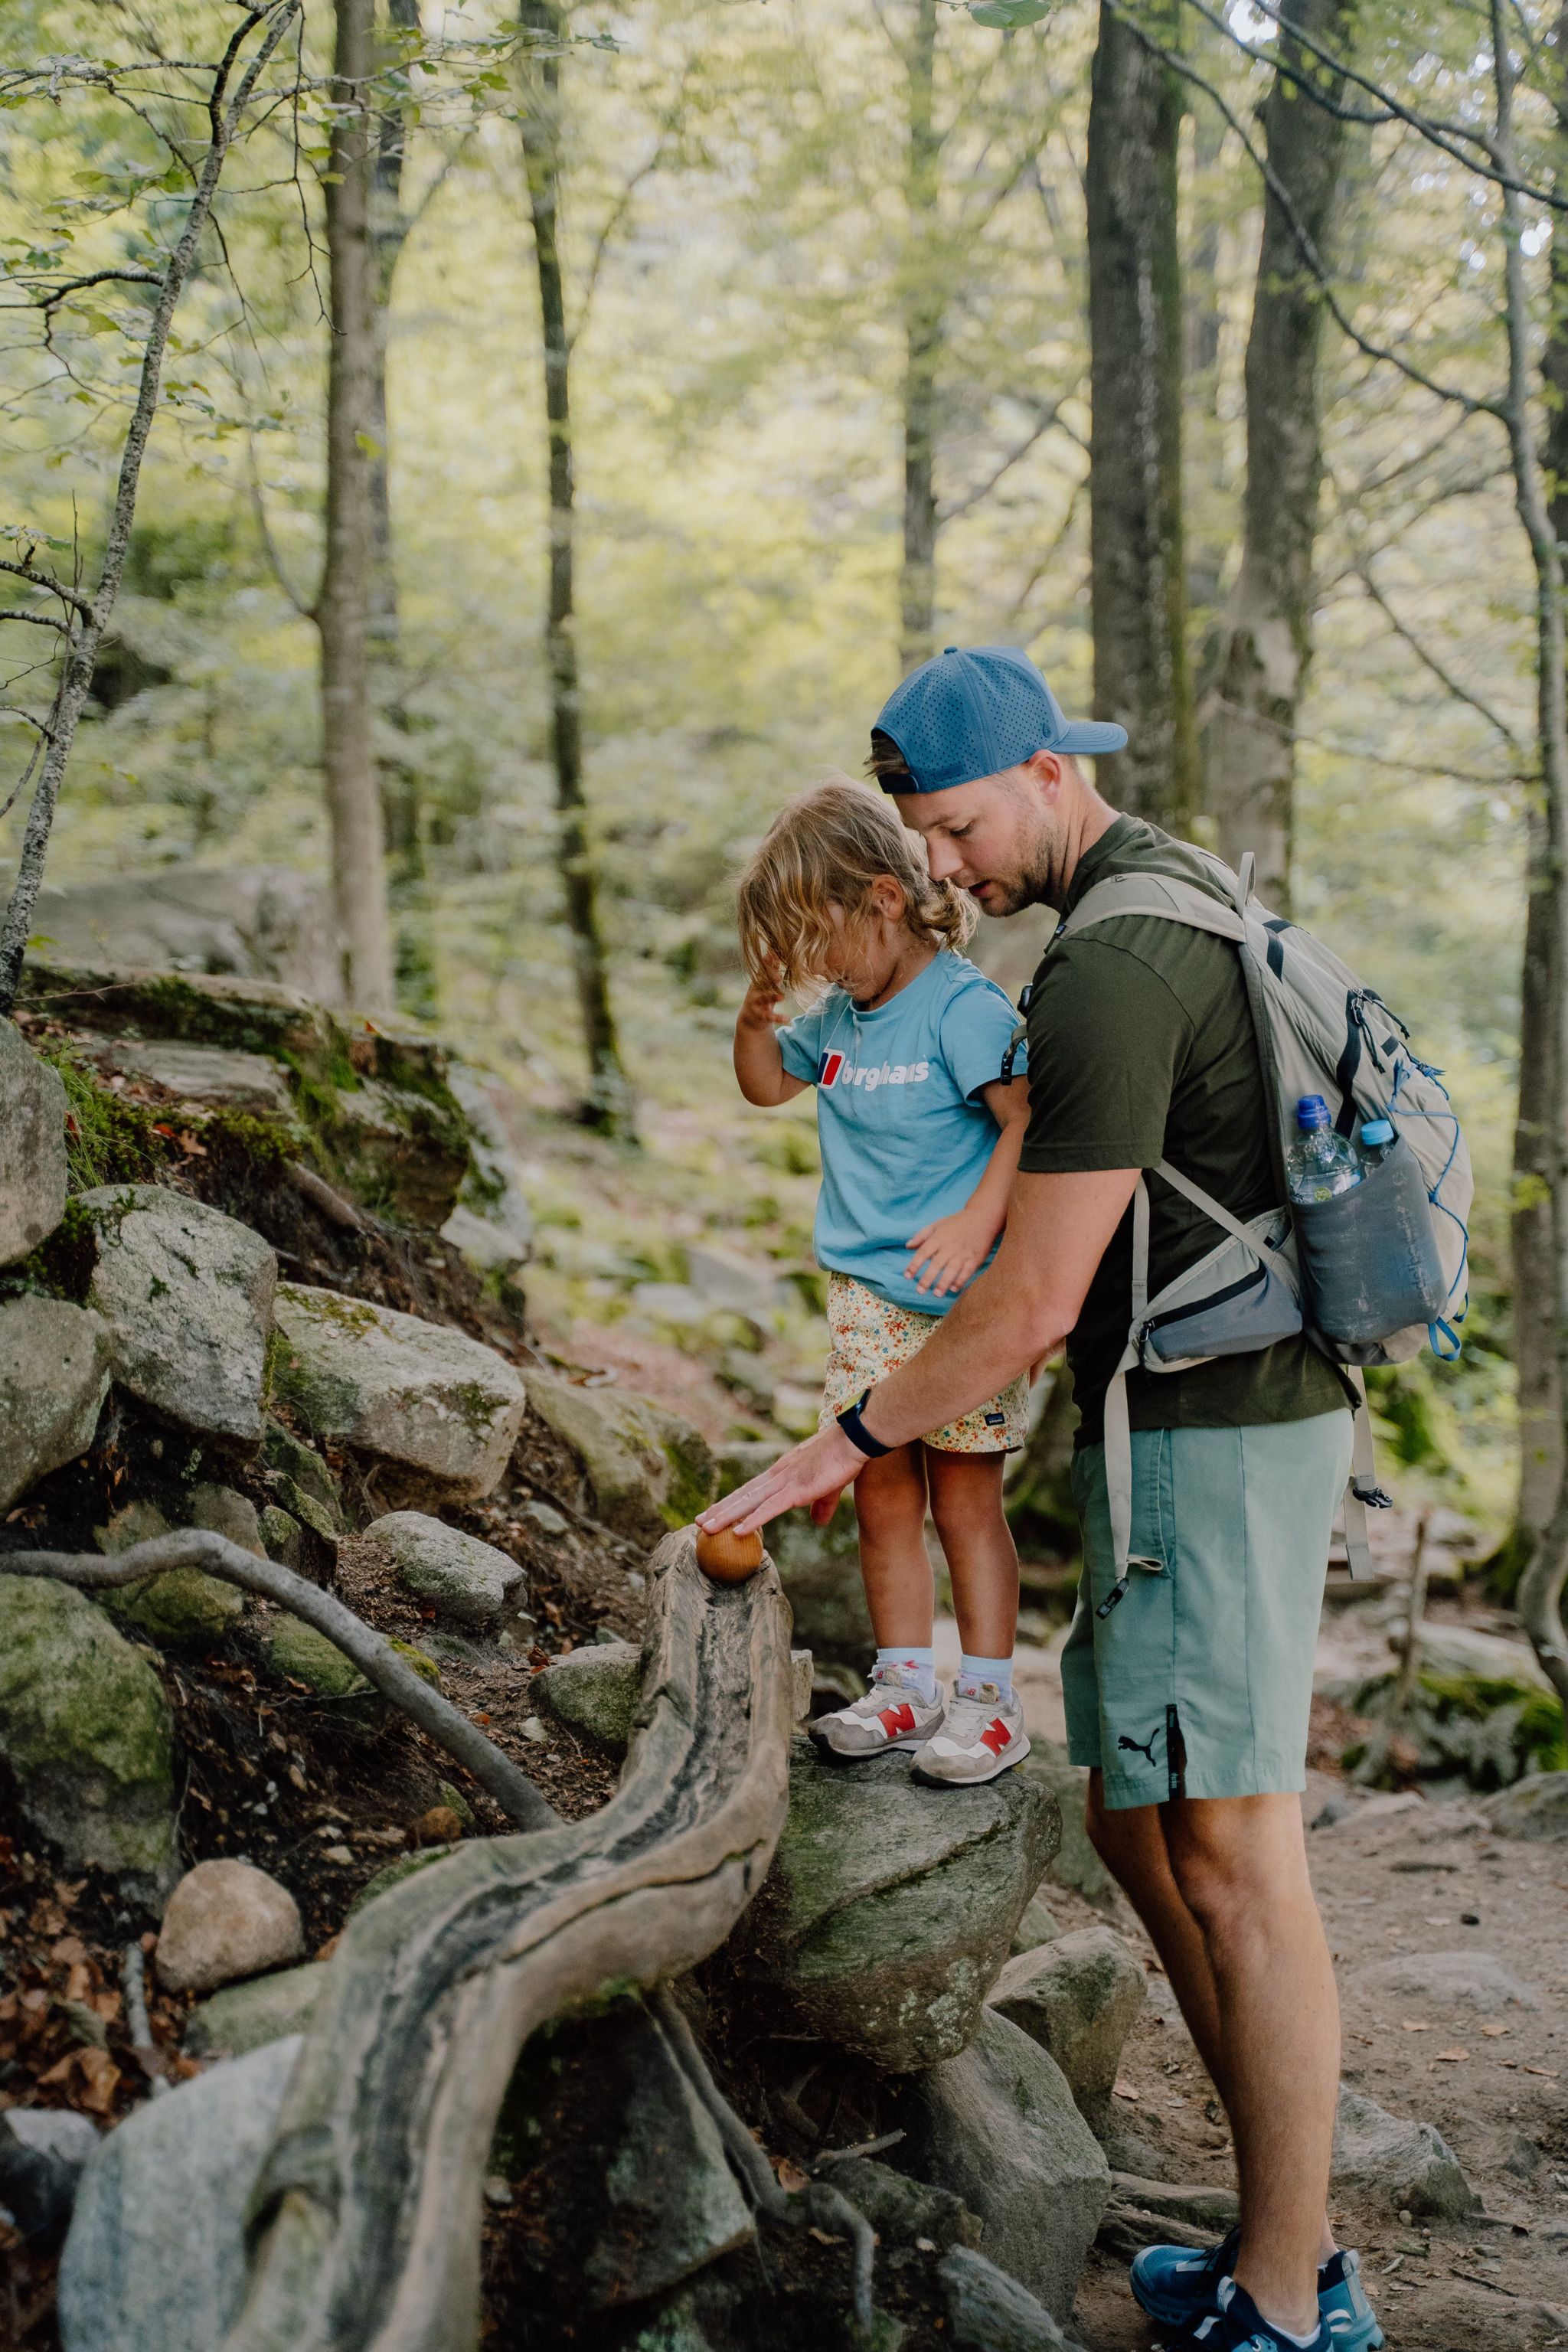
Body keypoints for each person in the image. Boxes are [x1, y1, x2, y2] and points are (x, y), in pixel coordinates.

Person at [701, 648, 1383, 2352]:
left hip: (1227, 1423)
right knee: (1140, 1821)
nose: (943, 866)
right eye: (921, 840)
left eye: (955, 827)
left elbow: (1020, 1301)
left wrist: (828, 1450)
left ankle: (1296, 2299)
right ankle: (1267, 2238)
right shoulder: (1124, 917)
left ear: (1051, 773)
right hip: (1168, 1422)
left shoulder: (1110, 966)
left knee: (1233, 1849)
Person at [732, 776, 1035, 1785]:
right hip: (864, 1301)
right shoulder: (839, 1022)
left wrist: (979, 1218)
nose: (813, 968)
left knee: (964, 1505)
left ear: (885, 899)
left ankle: (989, 1699)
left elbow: (1027, 1123)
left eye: (819, 941)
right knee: (881, 1499)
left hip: (961, 1309)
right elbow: (769, 1085)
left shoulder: (960, 1008)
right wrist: (755, 1015)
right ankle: (905, 1685)